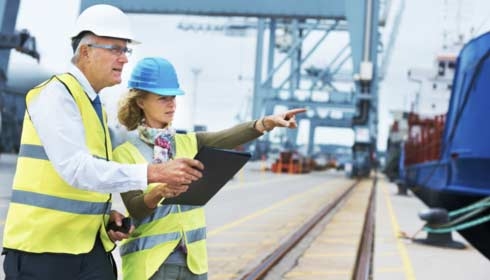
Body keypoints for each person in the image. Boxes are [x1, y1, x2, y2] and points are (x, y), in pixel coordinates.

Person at [2, 5, 203, 280]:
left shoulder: (96, 107)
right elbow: (76, 169)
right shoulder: (55, 96)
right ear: (85, 51)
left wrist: (104, 217)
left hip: (88, 250)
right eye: (115, 49)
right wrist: (153, 172)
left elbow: (87, 185)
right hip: (44, 252)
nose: (123, 59)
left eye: (126, 50)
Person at [113, 57, 306, 280]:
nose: (172, 105)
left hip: (192, 263)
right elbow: (135, 208)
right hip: (150, 266)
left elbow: (228, 136)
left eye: (173, 98)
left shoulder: (188, 142)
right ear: (141, 102)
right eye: (163, 98)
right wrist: (159, 192)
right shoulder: (125, 151)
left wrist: (267, 122)